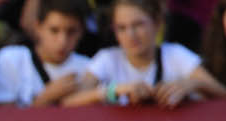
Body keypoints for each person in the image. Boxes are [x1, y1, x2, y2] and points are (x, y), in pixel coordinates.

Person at [67, 0, 225, 105]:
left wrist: (193, 85)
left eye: (138, 25)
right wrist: (113, 91)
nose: (131, 35)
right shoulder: (107, 59)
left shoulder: (176, 55)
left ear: (157, 23)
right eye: (121, 28)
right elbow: (69, 101)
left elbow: (222, 93)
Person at [0, 0, 91, 106]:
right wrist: (45, 98)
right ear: (38, 27)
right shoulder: (10, 60)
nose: (62, 41)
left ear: (82, 31)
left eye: (71, 31)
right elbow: (1, 114)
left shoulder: (90, 69)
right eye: (54, 30)